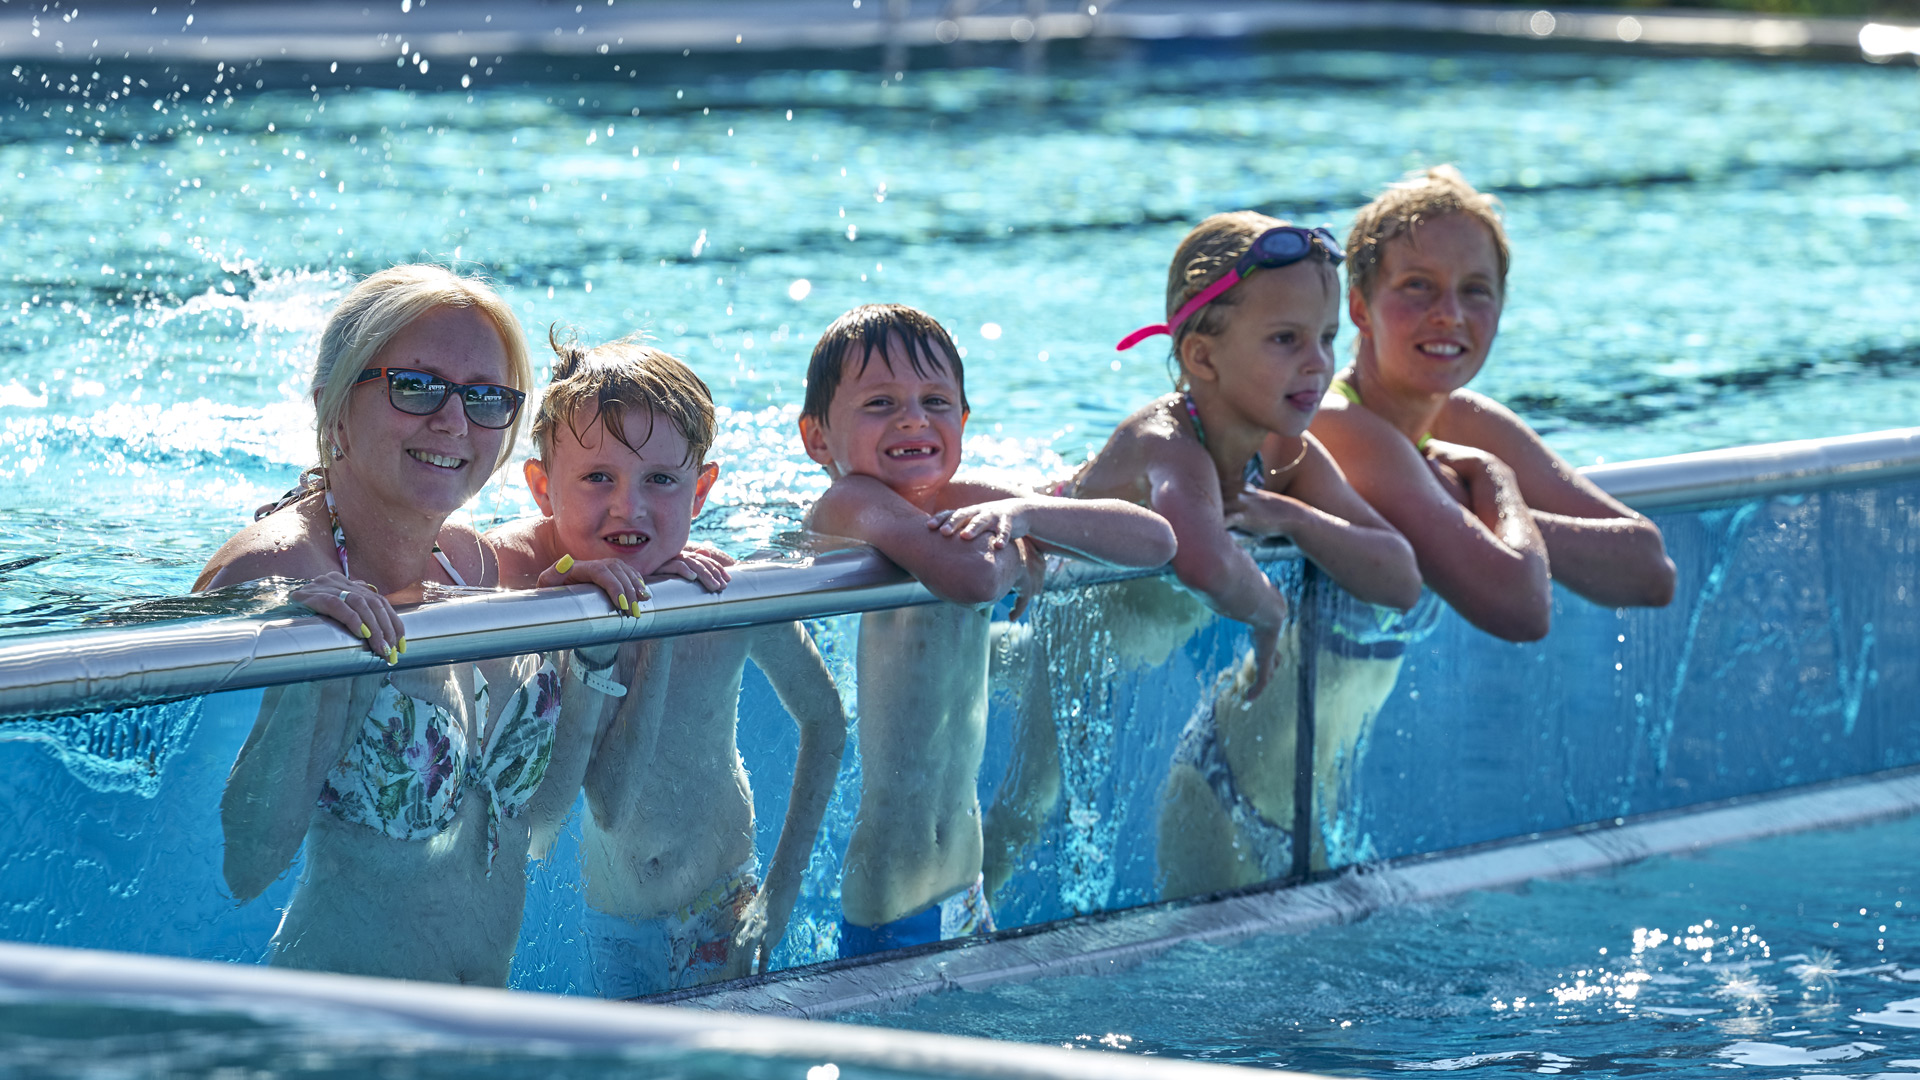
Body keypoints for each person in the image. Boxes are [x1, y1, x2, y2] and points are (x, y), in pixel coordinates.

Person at [973, 213, 1423, 900]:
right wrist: (1271, 616)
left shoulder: (1283, 453)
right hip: (1080, 642)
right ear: (1202, 358)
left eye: (1328, 338)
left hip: (1132, 635)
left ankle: (984, 658)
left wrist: (1295, 519)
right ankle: (968, 918)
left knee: (1009, 674)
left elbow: (1400, 576)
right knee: (1033, 798)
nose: (1319, 362)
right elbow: (1201, 559)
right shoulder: (1167, 441)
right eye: (1286, 339)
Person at [200, 265, 620, 984]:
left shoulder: (472, 564)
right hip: (339, 1033)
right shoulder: (273, 577)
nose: (455, 422)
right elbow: (242, 868)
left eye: (487, 398)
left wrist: (592, 630)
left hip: (477, 1028)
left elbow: (538, 825)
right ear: (333, 407)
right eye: (416, 386)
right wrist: (314, 661)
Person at [797, 303, 1177, 957]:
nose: (914, 418)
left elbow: (1156, 542)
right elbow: (972, 578)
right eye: (881, 403)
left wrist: (1027, 512)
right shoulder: (849, 503)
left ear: (964, 420)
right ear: (818, 439)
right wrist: (1010, 540)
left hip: (964, 882)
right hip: (896, 889)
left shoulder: (964, 501)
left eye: (936, 401)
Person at [488, 334, 846, 996]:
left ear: (702, 489)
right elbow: (573, 813)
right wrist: (640, 627)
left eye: (662, 479)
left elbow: (826, 719)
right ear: (543, 487)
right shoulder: (552, 613)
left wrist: (780, 892)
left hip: (728, 904)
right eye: (598, 478)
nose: (631, 508)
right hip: (617, 923)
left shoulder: (729, 594)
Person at [1289, 165, 1675, 643]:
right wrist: (1492, 481)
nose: (1449, 315)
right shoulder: (1333, 426)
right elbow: (1521, 609)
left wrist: (1473, 510)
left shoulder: (1462, 421)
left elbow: (1651, 570)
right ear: (1360, 309)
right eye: (1417, 285)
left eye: (1475, 290)